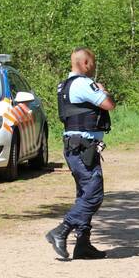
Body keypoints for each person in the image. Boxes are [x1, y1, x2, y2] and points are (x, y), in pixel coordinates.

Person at [45, 48, 116, 260]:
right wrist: (103, 90)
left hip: (75, 146)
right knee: (94, 195)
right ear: (85, 62)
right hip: (83, 147)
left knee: (84, 195)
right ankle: (61, 231)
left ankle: (83, 244)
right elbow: (108, 105)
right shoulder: (84, 84)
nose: (93, 67)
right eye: (92, 63)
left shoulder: (64, 85)